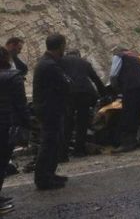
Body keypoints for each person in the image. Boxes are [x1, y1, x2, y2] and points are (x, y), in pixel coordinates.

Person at [33, 34, 71, 190]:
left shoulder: (47, 63)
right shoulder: (50, 65)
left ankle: (49, 174)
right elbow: (66, 83)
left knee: (54, 144)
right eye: (64, 45)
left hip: (49, 109)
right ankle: (43, 178)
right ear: (60, 46)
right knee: (49, 144)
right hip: (50, 111)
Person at [0, 47, 31, 213]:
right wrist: (28, 123)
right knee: (2, 162)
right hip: (7, 125)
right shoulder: (13, 76)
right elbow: (21, 104)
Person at [61, 50, 107, 157]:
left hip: (69, 94)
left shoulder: (61, 61)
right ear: (78, 55)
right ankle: (79, 151)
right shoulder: (84, 62)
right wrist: (104, 93)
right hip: (85, 94)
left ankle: (63, 152)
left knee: (67, 122)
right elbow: (96, 79)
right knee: (82, 123)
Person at [109, 47, 140, 153]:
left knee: (128, 114)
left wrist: (115, 88)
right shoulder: (136, 56)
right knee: (136, 114)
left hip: (130, 88)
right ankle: (133, 141)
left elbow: (113, 75)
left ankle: (126, 143)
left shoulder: (119, 56)